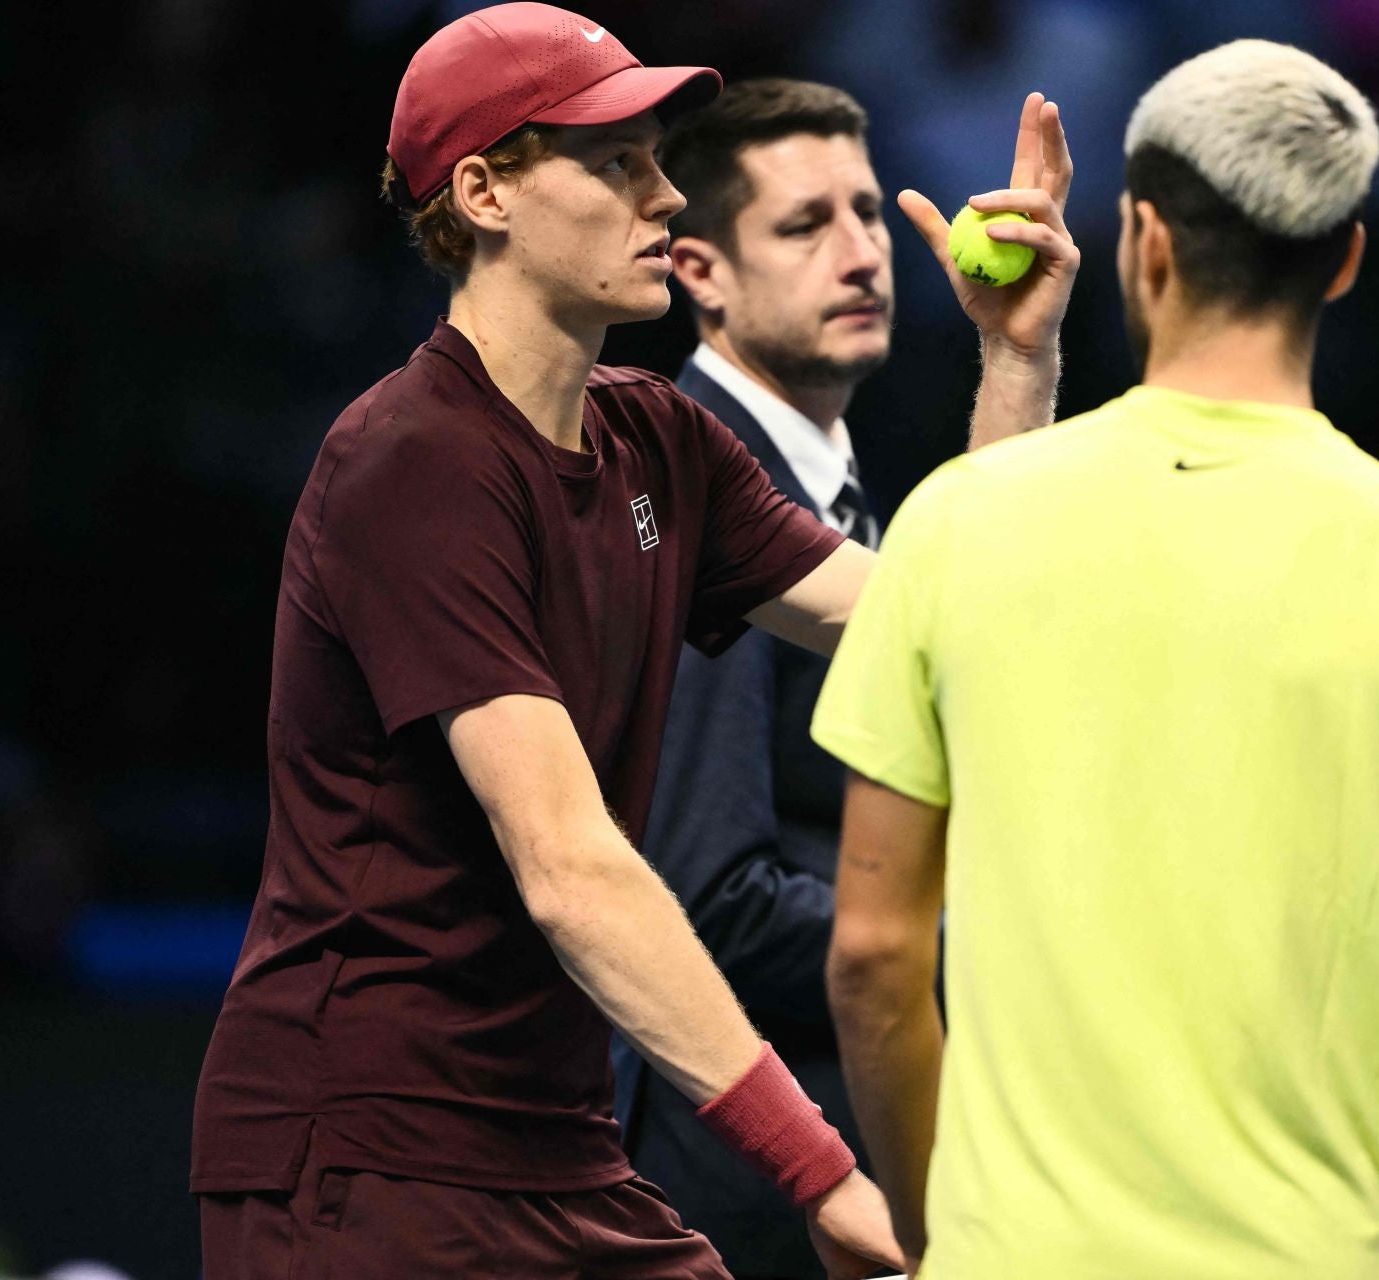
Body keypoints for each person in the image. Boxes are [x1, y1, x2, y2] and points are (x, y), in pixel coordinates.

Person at [187, 4, 1078, 1277]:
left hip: (559, 1138)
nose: (665, 193)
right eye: (616, 162)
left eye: (658, 156)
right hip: (363, 1154)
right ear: (485, 192)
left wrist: (1015, 357)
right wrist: (821, 1171)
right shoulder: (412, 462)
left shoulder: (660, 435)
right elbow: (571, 867)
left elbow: (950, 629)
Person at [815, 39, 1379, 1280]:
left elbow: (871, 959)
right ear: (1344, 260)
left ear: (1144, 241)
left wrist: (935, 1238)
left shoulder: (956, 526)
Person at [609, 79, 897, 1279]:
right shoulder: (686, 484)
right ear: (700, 272)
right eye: (803, 224)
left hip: (831, 1138)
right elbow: (706, 892)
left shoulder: (824, 484)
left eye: (869, 211)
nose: (861, 253)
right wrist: (978, 954)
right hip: (746, 1188)